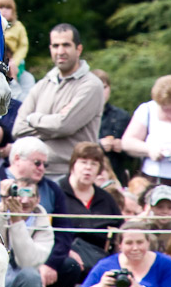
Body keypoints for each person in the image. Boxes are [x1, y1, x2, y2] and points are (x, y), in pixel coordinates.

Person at [5, 137, 80, 287]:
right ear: (16, 159)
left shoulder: (52, 188)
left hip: (39, 252)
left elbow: (64, 233)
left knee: (68, 266)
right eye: (37, 163)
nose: (42, 168)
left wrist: (50, 264)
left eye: (45, 164)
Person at [12, 24, 105, 181]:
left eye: (66, 45)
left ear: (79, 49)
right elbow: (18, 129)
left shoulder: (91, 85)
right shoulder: (43, 84)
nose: (60, 51)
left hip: (70, 176)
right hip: (35, 176)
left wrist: (33, 119)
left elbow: (64, 125)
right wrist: (54, 125)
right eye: (56, 46)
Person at [59, 142, 122, 274]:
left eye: (94, 164)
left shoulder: (106, 199)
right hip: (65, 258)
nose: (88, 168)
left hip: (100, 260)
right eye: (83, 162)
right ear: (73, 165)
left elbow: (121, 230)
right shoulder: (56, 192)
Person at [91, 69, 132, 185]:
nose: (101, 93)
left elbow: (133, 158)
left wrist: (123, 147)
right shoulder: (80, 115)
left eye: (104, 88)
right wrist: (99, 145)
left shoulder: (121, 116)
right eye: (96, 89)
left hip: (116, 177)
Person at [0, 0, 30, 86]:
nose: (4, 11)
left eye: (8, 8)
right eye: (1, 7)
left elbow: (23, 46)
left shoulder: (18, 26)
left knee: (16, 75)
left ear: (13, 10)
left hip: (13, 59)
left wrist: (15, 60)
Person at [140, 184, 171, 252]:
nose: (165, 211)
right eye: (160, 207)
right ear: (151, 207)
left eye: (169, 207)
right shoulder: (143, 230)